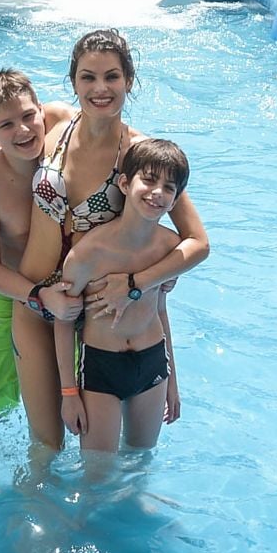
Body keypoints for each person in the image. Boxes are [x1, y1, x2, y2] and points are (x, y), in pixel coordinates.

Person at [10, 29, 210, 450]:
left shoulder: (141, 158)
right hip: (37, 300)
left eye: (112, 77)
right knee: (45, 445)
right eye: (88, 77)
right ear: (73, 81)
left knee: (113, 451)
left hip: (103, 311)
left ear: (129, 81)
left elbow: (196, 243)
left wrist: (137, 284)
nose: (100, 89)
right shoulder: (55, 121)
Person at [0, 69, 85, 419]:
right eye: (7, 126)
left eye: (29, 116)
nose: (24, 130)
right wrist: (36, 295)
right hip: (12, 287)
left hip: (72, 282)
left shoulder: (63, 120)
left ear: (41, 109)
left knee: (78, 387)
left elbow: (122, 149)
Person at [54, 138, 191, 453]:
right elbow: (63, 322)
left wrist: (172, 380)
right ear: (125, 184)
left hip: (152, 359)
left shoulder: (169, 248)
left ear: (175, 200)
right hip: (102, 365)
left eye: (169, 188)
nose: (158, 192)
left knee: (141, 456)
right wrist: (69, 393)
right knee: (97, 473)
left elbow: (160, 310)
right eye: (149, 180)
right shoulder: (88, 254)